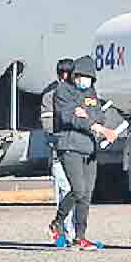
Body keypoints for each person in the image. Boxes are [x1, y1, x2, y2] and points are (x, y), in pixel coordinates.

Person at [49, 57, 115, 250]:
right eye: (80, 76)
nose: (83, 80)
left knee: (86, 194)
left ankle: (81, 236)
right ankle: (58, 222)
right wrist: (94, 125)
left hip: (89, 147)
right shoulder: (63, 91)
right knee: (77, 189)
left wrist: (88, 117)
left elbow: (98, 115)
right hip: (70, 146)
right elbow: (69, 118)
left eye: (87, 77)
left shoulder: (91, 93)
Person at [41, 58, 77, 242]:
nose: (65, 78)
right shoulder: (50, 95)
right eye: (62, 74)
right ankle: (63, 232)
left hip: (78, 151)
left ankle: (76, 233)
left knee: (77, 193)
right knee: (64, 190)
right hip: (60, 152)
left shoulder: (79, 92)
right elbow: (47, 125)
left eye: (68, 74)